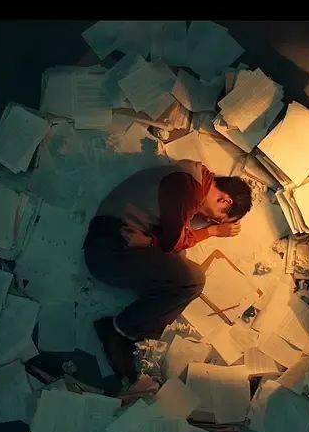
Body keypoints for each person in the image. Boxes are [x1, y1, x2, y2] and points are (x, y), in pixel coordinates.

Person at [84, 159, 253, 382]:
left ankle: (135, 332)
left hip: (112, 241)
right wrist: (212, 231)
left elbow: (170, 240)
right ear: (225, 200)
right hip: (108, 250)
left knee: (178, 268)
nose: (208, 219)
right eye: (218, 217)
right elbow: (172, 243)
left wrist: (153, 241)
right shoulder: (187, 188)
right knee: (193, 280)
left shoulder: (191, 177)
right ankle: (120, 331)